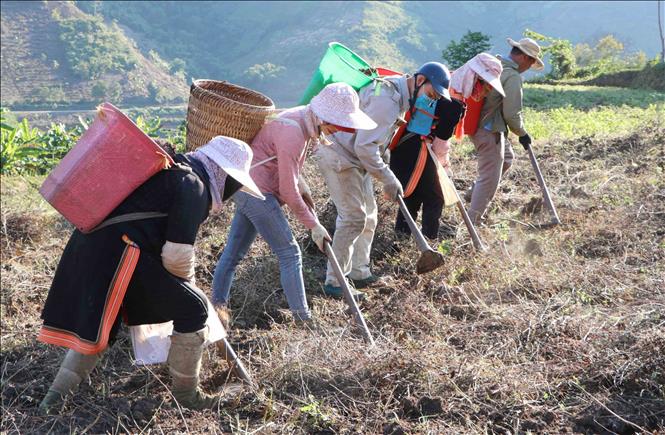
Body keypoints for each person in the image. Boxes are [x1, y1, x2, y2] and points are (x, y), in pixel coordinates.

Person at [37, 135, 264, 414]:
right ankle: (187, 396)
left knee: (102, 326)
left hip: (94, 247)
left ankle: (52, 401)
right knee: (193, 309)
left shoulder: (174, 170)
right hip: (120, 253)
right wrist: (192, 292)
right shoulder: (193, 185)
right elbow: (177, 255)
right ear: (224, 173)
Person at [211, 82, 377, 325]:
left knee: (234, 253)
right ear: (323, 117)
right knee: (290, 252)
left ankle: (217, 309)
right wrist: (313, 226)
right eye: (335, 124)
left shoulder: (303, 118)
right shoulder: (294, 133)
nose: (336, 130)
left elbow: (289, 172)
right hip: (257, 190)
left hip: (247, 186)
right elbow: (288, 191)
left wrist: (303, 185)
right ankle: (304, 319)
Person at [314, 62, 451, 298]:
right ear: (419, 81)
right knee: (353, 217)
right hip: (339, 156)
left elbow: (371, 141)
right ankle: (336, 282)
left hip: (355, 157)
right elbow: (365, 147)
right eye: (430, 93)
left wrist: (383, 160)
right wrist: (388, 177)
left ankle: (359, 271)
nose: (430, 100)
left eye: (436, 97)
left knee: (369, 216)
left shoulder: (398, 94)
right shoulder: (387, 101)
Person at [467, 38, 544, 225]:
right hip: (489, 130)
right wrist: (522, 133)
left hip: (478, 126)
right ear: (524, 57)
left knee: (507, 158)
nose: (530, 66)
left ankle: (474, 192)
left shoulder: (496, 66)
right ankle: (473, 223)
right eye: (532, 61)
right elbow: (511, 113)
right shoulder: (512, 76)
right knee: (489, 179)